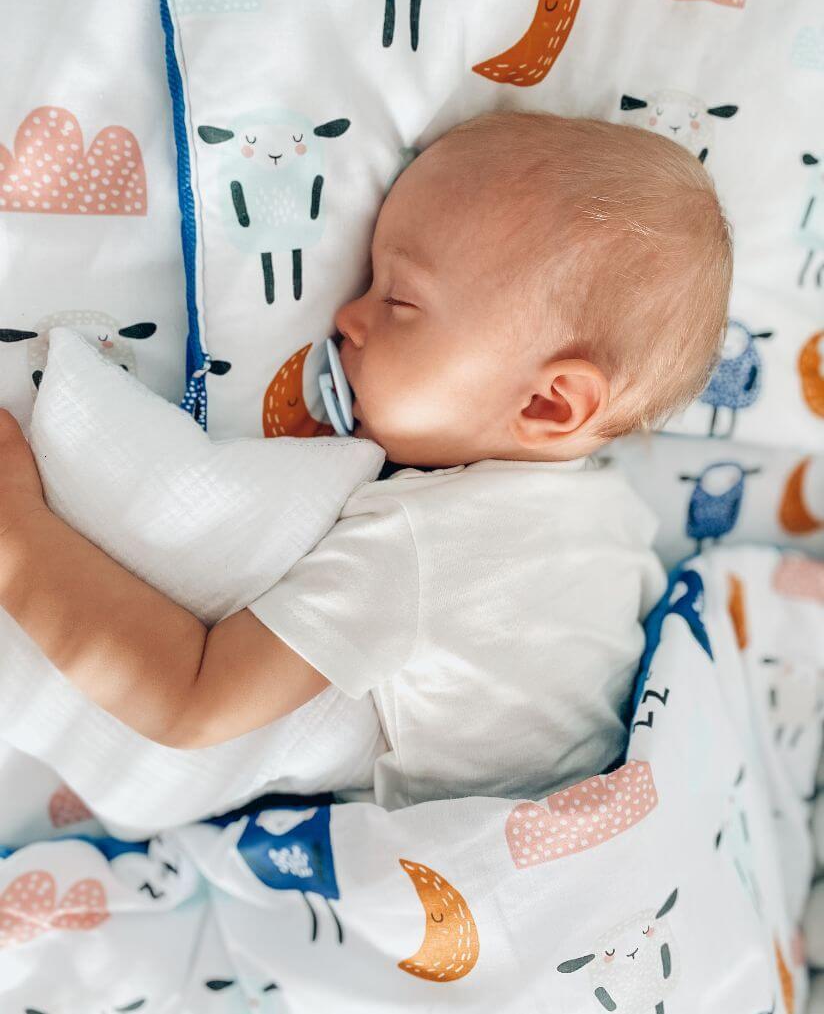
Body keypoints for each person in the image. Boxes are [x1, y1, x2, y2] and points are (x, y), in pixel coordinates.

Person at [0, 111, 732, 810]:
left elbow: (193, 700)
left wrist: (19, 539)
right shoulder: (619, 518)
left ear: (548, 403)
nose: (347, 317)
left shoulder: (425, 547)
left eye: (398, 300)